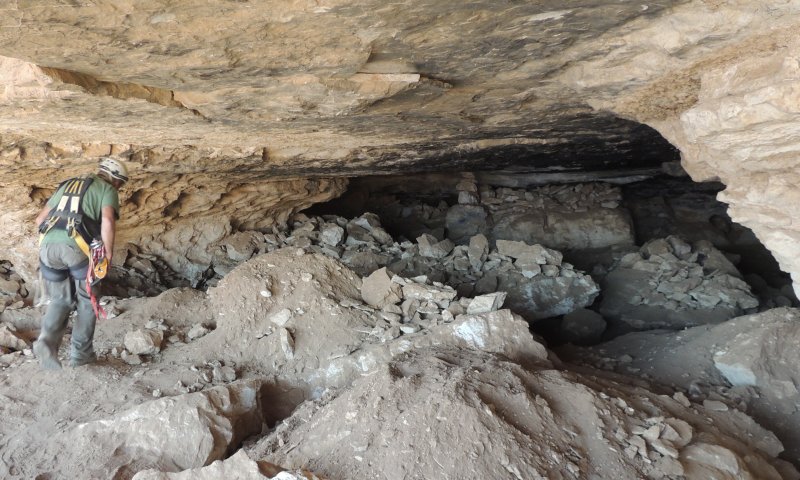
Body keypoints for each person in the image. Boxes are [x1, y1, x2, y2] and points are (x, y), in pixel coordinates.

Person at [32, 157, 128, 370]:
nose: (119, 188)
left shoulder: (67, 184)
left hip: (47, 249)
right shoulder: (107, 189)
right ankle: (81, 356)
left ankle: (46, 341)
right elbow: (108, 220)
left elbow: (40, 220)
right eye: (120, 183)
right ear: (114, 179)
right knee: (87, 300)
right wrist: (108, 254)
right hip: (76, 248)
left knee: (61, 299)